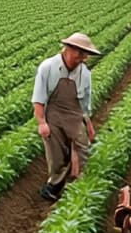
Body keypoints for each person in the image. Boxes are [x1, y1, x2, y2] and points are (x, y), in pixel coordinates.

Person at [32, 33, 100, 202]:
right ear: (68, 49)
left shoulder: (84, 73)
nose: (83, 58)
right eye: (80, 53)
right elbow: (39, 98)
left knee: (82, 149)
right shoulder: (48, 67)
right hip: (53, 114)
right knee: (57, 156)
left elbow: (85, 102)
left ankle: (78, 188)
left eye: (85, 54)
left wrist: (89, 125)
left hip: (75, 115)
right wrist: (42, 123)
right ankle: (53, 186)